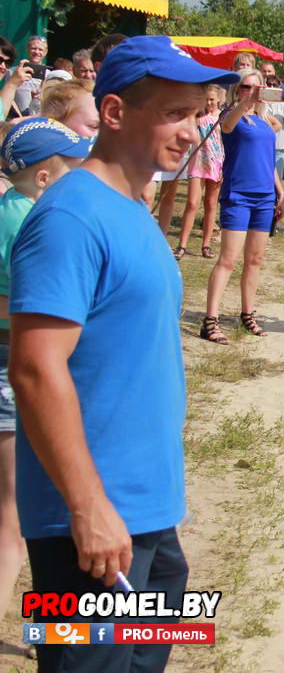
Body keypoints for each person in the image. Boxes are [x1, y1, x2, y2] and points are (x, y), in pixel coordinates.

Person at [8, 36, 240, 672]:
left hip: (148, 510)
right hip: (89, 524)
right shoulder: (71, 217)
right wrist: (87, 507)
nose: (192, 128)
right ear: (113, 113)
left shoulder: (132, 204)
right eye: (175, 112)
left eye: (198, 112)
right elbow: (33, 368)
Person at [0, 120, 91, 630]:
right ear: (42, 177)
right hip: (16, 367)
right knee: (17, 526)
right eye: (72, 166)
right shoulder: (32, 221)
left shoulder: (12, 210)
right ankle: (57, 629)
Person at [200, 70, 284, 344]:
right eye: (246, 86)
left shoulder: (264, 121)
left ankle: (248, 313)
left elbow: (268, 159)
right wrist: (246, 103)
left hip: (263, 196)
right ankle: (210, 319)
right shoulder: (231, 116)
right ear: (238, 89)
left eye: (257, 86)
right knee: (228, 258)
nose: (252, 90)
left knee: (255, 259)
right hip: (238, 194)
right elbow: (226, 126)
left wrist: (278, 188)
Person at [173, 85, 226, 260]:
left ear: (218, 99)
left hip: (216, 163)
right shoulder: (197, 116)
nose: (209, 103)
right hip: (197, 163)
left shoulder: (223, 116)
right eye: (206, 99)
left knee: (211, 204)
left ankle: (206, 244)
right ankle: (182, 244)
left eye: (212, 99)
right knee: (192, 203)